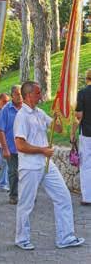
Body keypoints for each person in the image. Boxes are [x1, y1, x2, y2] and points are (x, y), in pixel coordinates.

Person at [13, 81, 85, 250]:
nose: (41, 95)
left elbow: (58, 129)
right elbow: (20, 145)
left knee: (63, 196)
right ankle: (22, 238)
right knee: (26, 203)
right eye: (38, 93)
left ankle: (65, 237)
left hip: (46, 164)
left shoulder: (39, 113)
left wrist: (58, 117)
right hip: (30, 166)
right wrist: (42, 150)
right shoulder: (21, 116)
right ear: (29, 95)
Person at [0, 85, 22, 204]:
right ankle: (13, 195)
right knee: (13, 172)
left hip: (26, 148)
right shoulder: (6, 109)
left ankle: (27, 194)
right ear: (12, 96)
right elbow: (0, 130)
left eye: (21, 94)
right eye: (17, 94)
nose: (20, 96)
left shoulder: (27, 108)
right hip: (12, 148)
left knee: (27, 173)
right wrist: (5, 149)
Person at [71, 69, 91, 205]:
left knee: (86, 166)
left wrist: (72, 133)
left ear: (87, 78)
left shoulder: (83, 93)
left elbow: (79, 117)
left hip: (87, 134)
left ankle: (87, 198)